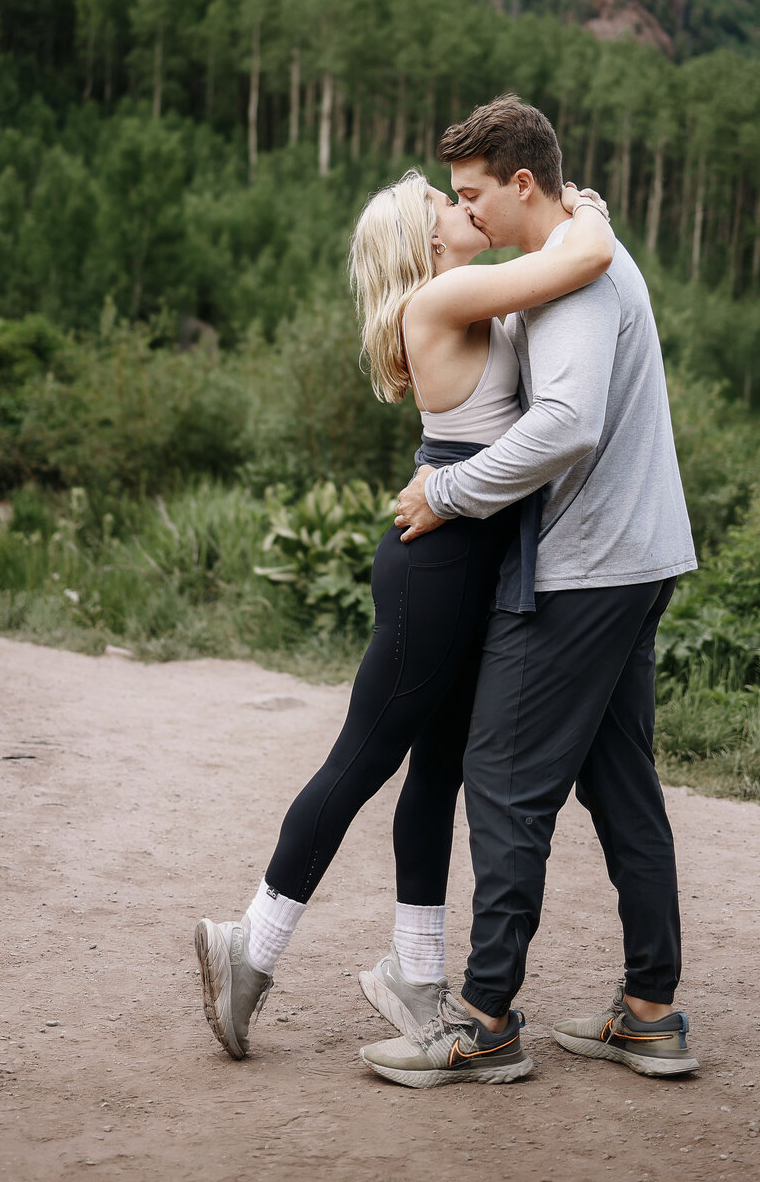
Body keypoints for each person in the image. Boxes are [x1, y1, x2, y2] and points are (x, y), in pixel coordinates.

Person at [194, 165, 615, 1062]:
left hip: (468, 559)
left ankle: (416, 977)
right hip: (438, 567)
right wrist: (589, 207)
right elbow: (584, 257)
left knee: (436, 776)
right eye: (448, 206)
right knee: (360, 761)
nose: (466, 209)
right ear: (429, 242)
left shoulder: (463, 298)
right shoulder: (450, 295)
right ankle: (250, 948)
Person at [359, 95, 698, 1088]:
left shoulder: (571, 290)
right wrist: (585, 209)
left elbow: (566, 427)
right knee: (622, 784)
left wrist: (450, 491)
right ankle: (650, 1011)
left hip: (585, 567)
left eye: (473, 196)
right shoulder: (572, 254)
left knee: (502, 779)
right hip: (634, 557)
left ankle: (484, 1017)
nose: (466, 216)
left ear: (520, 185)